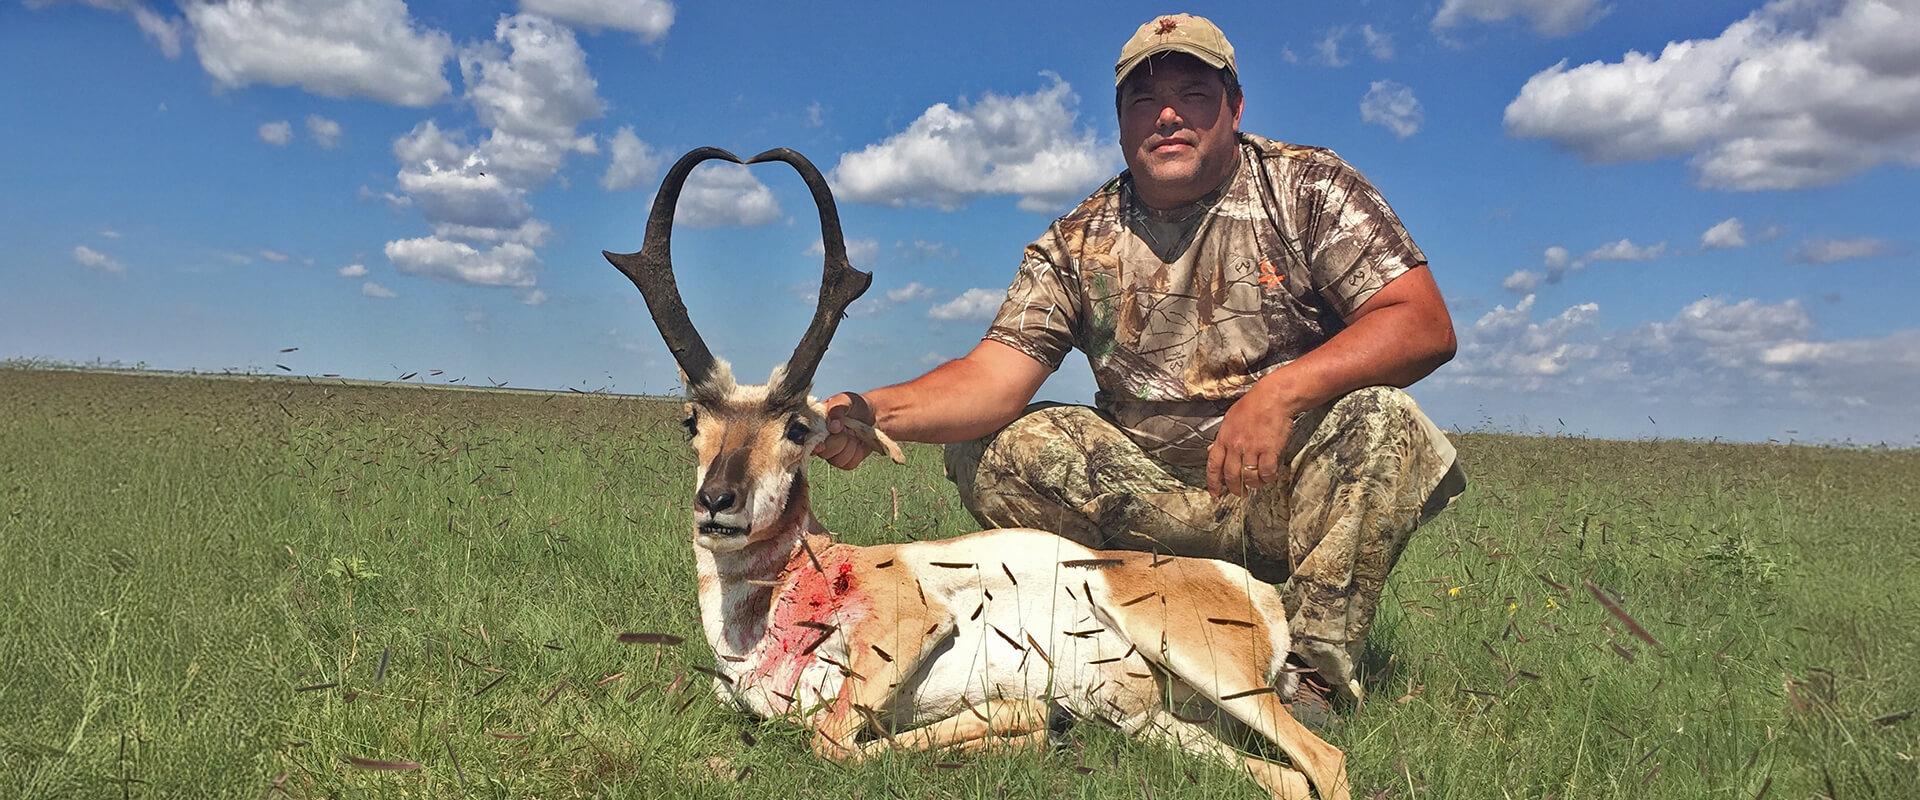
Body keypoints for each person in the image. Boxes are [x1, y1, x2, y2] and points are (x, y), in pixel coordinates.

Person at [814, 12, 1465, 704]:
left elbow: (1421, 322)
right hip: (1147, 497)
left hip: (1274, 486)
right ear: (1121, 122)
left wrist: (1280, 394)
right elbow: (993, 377)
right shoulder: (1076, 240)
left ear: (1235, 108)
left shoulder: (1307, 187)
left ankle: (1308, 676)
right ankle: (1114, 637)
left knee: (1381, 417)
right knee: (992, 447)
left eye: (1194, 95)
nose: (1168, 116)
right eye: (1144, 101)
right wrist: (866, 410)